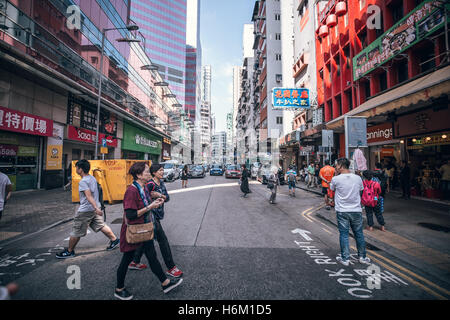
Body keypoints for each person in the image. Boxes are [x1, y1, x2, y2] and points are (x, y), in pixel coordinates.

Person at [116, 162, 182, 300]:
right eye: (146, 171)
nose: (149, 173)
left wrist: (156, 197)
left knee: (152, 257)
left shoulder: (144, 187)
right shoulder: (131, 191)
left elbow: (148, 198)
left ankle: (165, 283)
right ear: (139, 175)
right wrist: (151, 207)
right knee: (126, 260)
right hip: (134, 232)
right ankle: (119, 288)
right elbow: (131, 215)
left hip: (145, 230)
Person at [56, 160, 120, 259]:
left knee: (76, 230)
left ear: (80, 169)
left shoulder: (83, 181)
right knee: (100, 225)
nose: (76, 169)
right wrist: (97, 207)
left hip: (86, 210)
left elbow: (89, 196)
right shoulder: (92, 178)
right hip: (94, 208)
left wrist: (96, 208)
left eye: (77, 167)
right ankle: (114, 239)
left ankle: (69, 251)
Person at [129, 164, 183, 278]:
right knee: (163, 241)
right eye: (160, 170)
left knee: (145, 240)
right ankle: (171, 267)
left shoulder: (161, 183)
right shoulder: (149, 185)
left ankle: (134, 261)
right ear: (154, 173)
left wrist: (160, 195)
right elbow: (142, 201)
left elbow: (167, 198)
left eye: (163, 170)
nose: (162, 172)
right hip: (150, 216)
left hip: (157, 215)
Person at [329, 158, 371, 266]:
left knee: (344, 234)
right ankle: (362, 257)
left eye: (337, 165)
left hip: (342, 211)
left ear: (341, 166)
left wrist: (335, 175)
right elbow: (360, 191)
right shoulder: (358, 178)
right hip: (356, 210)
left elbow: (331, 189)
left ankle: (345, 259)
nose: (336, 167)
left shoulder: (336, 179)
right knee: (359, 234)